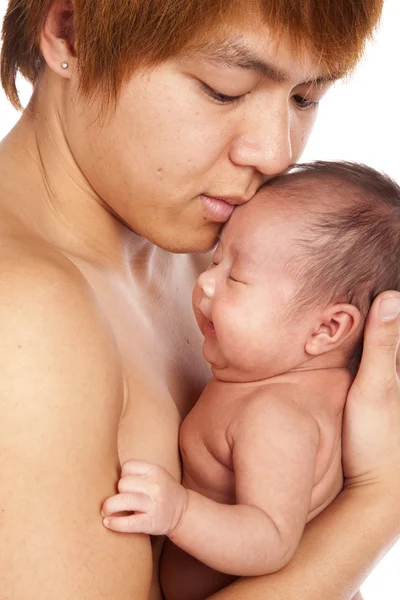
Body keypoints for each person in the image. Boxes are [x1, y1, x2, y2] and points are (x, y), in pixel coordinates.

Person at [1, 1, 400, 599]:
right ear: (70, 34)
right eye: (224, 90)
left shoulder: (210, 255)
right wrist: (379, 502)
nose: (275, 152)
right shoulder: (23, 314)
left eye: (304, 97)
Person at [101, 161, 400, 600]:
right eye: (217, 257)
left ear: (327, 330)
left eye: (235, 277)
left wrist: (179, 511)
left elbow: (270, 541)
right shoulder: (284, 381)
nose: (205, 281)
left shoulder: (275, 416)